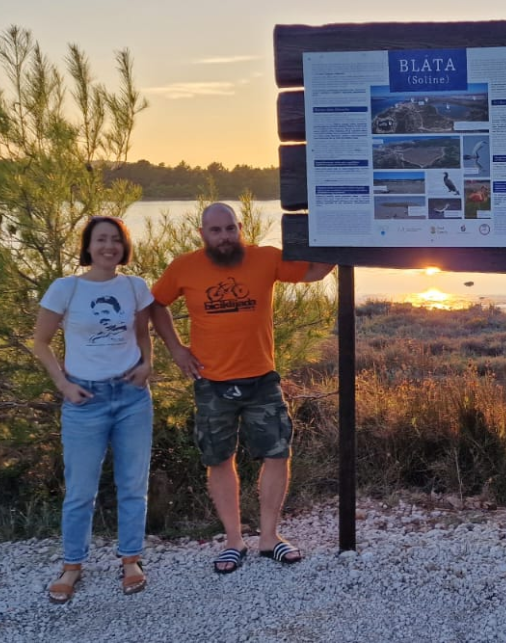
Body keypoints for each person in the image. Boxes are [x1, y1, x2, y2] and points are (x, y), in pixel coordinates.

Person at [149, 203, 334, 574]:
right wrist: (176, 348)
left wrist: (339, 236)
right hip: (211, 382)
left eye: (230, 228)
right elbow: (154, 305)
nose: (224, 237)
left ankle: (269, 538)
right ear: (202, 234)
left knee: (277, 454)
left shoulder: (265, 259)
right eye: (215, 231)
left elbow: (315, 270)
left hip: (260, 378)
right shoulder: (184, 267)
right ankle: (234, 541)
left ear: (240, 228)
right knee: (218, 460)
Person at [31, 215, 155, 603]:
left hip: (131, 396)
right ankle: (72, 565)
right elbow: (41, 343)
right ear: (87, 246)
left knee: (133, 484)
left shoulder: (135, 286)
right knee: (81, 489)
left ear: (124, 246)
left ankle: (131, 559)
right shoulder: (65, 289)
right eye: (101, 239)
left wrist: (147, 364)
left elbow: (142, 334)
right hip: (84, 400)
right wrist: (64, 385)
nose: (109, 247)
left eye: (116, 240)